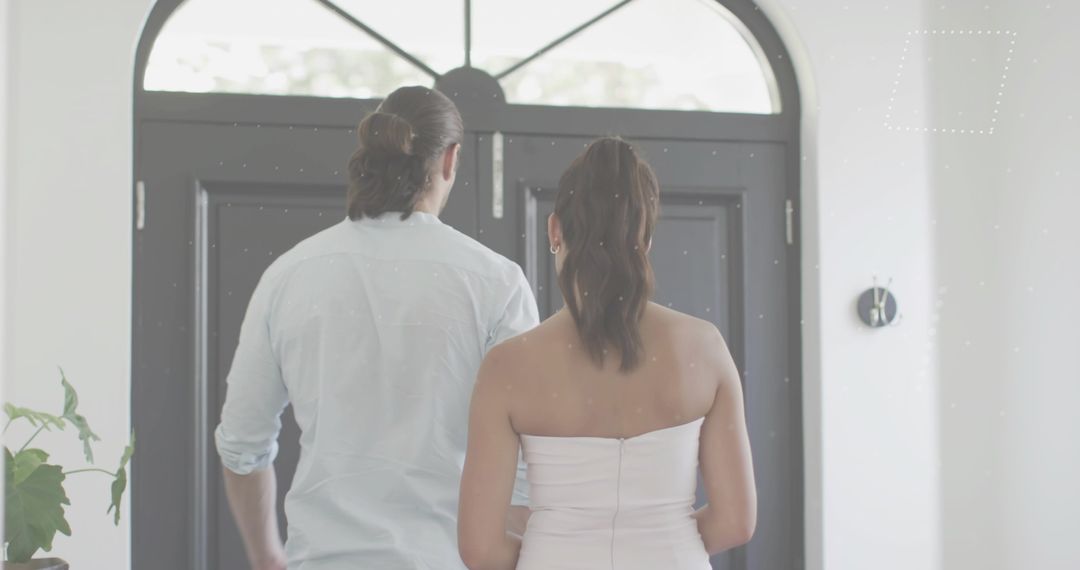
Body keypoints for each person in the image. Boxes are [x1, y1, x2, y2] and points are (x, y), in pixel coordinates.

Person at [215, 86, 538, 570]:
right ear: (450, 160)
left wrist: (267, 558)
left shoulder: (289, 275)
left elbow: (242, 447)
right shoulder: (496, 283)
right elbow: (526, 458)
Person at [457, 137, 757, 569]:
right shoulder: (703, 348)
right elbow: (735, 522)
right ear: (646, 237)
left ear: (554, 230)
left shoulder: (508, 366)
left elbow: (480, 548)